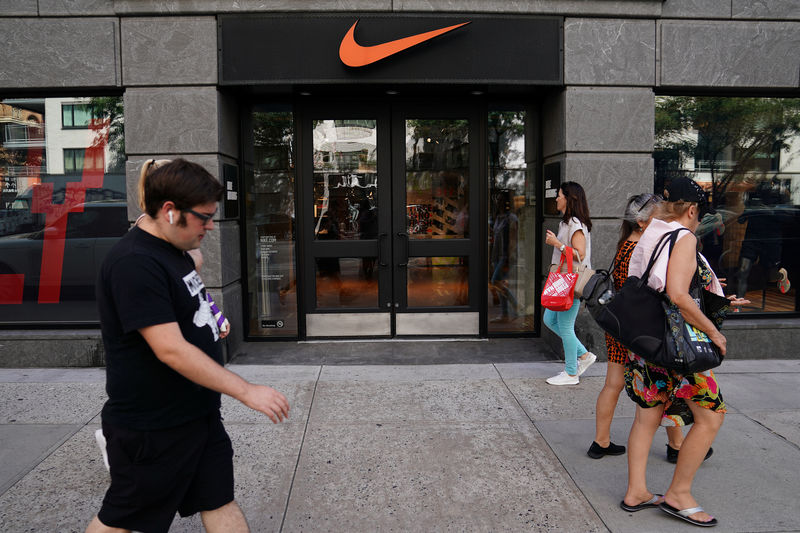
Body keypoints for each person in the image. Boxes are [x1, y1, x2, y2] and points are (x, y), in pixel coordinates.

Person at [86, 159, 290, 533]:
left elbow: (186, 281)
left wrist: (208, 318)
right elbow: (170, 350)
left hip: (196, 414)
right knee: (121, 519)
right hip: (153, 427)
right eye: (204, 217)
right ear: (169, 211)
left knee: (218, 500)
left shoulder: (173, 248)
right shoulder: (134, 263)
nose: (211, 226)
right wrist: (246, 391)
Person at [621, 177, 747, 527]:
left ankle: (637, 492)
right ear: (692, 209)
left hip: (648, 342)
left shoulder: (651, 234)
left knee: (647, 416)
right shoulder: (684, 237)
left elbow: (655, 285)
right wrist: (712, 332)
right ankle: (679, 494)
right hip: (680, 347)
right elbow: (677, 294)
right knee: (711, 416)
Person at [587, 194, 707, 462]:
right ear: (642, 222)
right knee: (664, 383)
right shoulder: (643, 248)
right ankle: (676, 447)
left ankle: (601, 441)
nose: (664, 221)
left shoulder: (625, 245)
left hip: (622, 326)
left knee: (614, 384)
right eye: (658, 216)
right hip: (641, 329)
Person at [543, 181, 596, 385]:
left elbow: (580, 254)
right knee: (550, 319)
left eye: (559, 195)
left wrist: (557, 243)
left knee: (565, 326)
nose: (556, 198)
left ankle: (571, 373)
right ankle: (584, 356)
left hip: (571, 280)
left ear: (569, 199)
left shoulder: (575, 223)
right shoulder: (566, 222)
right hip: (562, 279)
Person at [489, 190, 519, 323]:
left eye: (501, 200)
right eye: (497, 200)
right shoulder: (497, 217)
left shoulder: (511, 218)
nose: (498, 202)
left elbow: (514, 239)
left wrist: (508, 258)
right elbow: (495, 235)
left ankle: (517, 306)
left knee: (495, 282)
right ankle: (504, 314)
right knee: (499, 283)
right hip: (496, 255)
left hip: (504, 255)